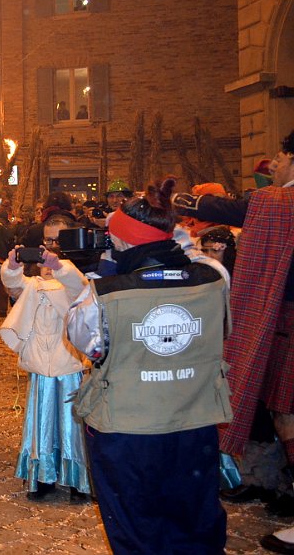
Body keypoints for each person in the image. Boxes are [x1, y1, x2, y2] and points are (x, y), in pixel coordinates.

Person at [67, 177, 230, 553]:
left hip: (127, 428)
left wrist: (105, 273)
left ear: (121, 241)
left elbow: (88, 346)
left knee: (135, 524)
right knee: (196, 516)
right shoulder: (214, 277)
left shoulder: (102, 293)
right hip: (194, 421)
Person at [172, 131, 294, 554]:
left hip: (287, 317)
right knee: (270, 406)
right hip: (281, 318)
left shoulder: (280, 201)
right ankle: (273, 485)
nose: (274, 164)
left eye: (279, 154)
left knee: (288, 415)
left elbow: (244, 206)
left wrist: (197, 203)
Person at [0, 213, 91, 502]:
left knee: (72, 421)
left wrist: (58, 267)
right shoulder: (34, 284)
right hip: (40, 363)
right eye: (47, 241)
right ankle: (43, 476)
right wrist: (12, 266)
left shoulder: (78, 277)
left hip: (70, 363)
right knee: (40, 421)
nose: (51, 247)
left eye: (58, 240)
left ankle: (78, 479)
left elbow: (79, 287)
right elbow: (13, 285)